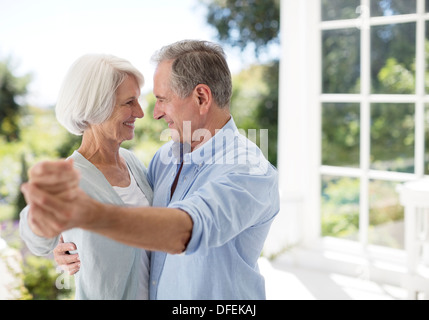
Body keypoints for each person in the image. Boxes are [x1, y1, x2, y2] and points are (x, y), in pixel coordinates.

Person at [21, 40, 280, 300]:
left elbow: (186, 230)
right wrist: (59, 245)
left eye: (162, 100)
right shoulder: (165, 159)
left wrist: (92, 216)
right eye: (130, 102)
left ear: (201, 98)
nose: (151, 113)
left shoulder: (249, 171)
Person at [19, 54, 153, 299]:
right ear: (96, 107)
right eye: (129, 102)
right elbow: (36, 238)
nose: (141, 112)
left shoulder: (133, 163)